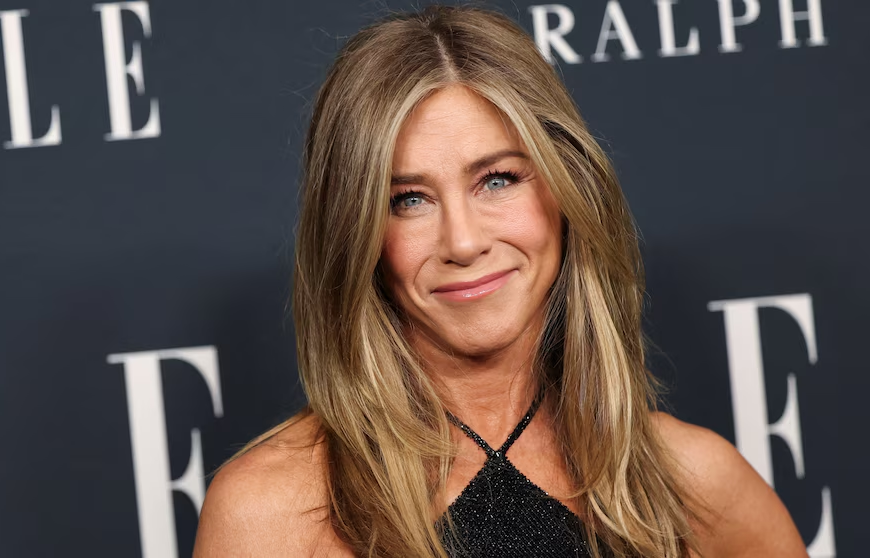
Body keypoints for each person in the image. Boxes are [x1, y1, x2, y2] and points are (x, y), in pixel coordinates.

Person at [193, 5, 806, 557]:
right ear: (356, 236)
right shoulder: (271, 513)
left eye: (497, 180)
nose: (463, 242)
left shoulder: (694, 482)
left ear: (568, 189)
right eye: (408, 199)